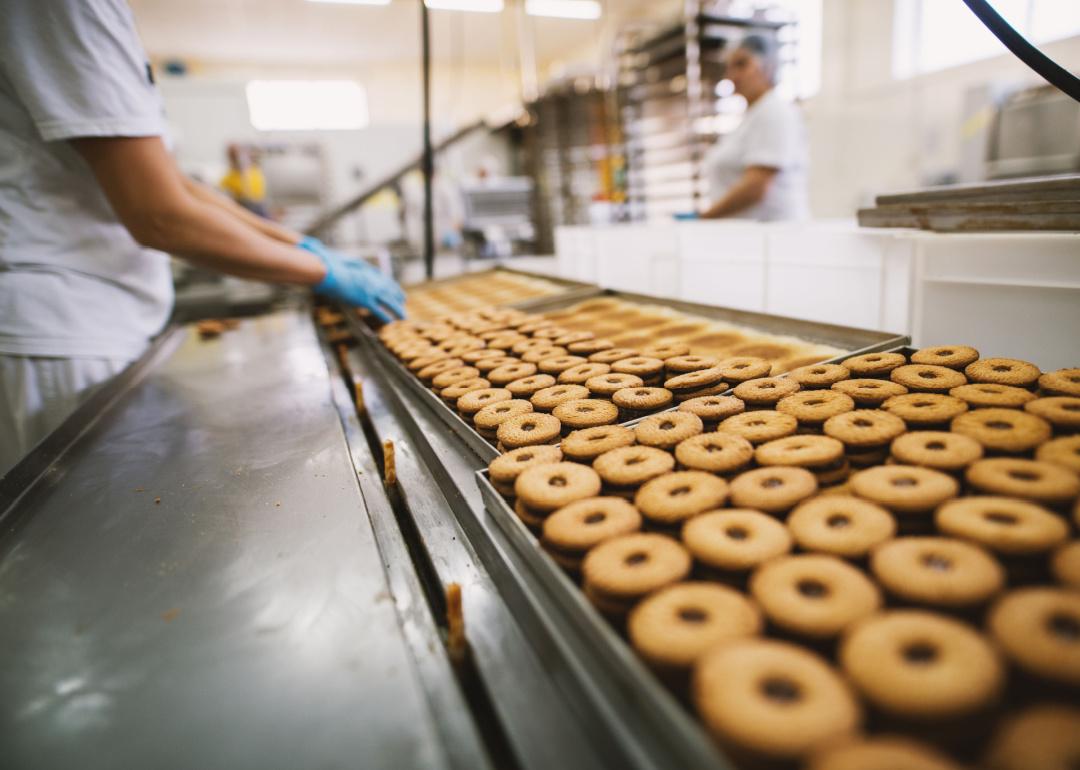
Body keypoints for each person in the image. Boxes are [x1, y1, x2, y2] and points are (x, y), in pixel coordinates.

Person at [0, 0, 404, 476]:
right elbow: (157, 214)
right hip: (65, 322)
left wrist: (300, 246)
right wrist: (320, 271)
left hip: (100, 314)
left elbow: (176, 186)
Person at [701, 35, 809, 221]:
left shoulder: (774, 110)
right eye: (729, 67)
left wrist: (705, 217)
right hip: (752, 237)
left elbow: (756, 186)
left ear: (767, 66)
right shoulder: (750, 118)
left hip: (775, 236)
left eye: (741, 64)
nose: (732, 76)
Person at [220, 143, 270, 217]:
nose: (236, 158)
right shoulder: (229, 177)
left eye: (238, 154)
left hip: (259, 206)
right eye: (233, 155)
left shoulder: (255, 171)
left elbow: (257, 194)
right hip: (244, 208)